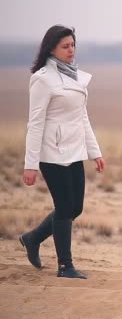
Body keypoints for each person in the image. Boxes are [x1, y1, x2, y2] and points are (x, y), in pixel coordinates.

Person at [19, 25, 106, 279]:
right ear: (52, 49)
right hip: (51, 153)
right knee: (64, 207)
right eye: (65, 46)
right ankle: (65, 266)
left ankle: (32, 238)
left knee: (75, 208)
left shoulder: (75, 77)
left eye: (73, 45)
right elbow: (35, 123)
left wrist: (95, 152)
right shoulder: (43, 79)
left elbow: (83, 117)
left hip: (75, 150)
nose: (71, 50)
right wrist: (30, 163)